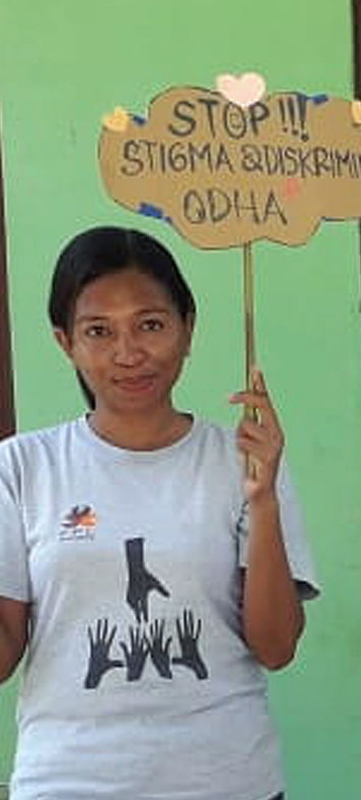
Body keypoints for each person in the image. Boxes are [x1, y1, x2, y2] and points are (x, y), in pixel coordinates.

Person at [0, 226, 319, 800]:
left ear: (187, 327)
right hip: (69, 783)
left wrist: (264, 500)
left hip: (225, 781)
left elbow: (276, 647)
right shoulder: (22, 468)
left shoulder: (246, 460)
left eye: (151, 324)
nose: (128, 353)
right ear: (63, 341)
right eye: (99, 331)